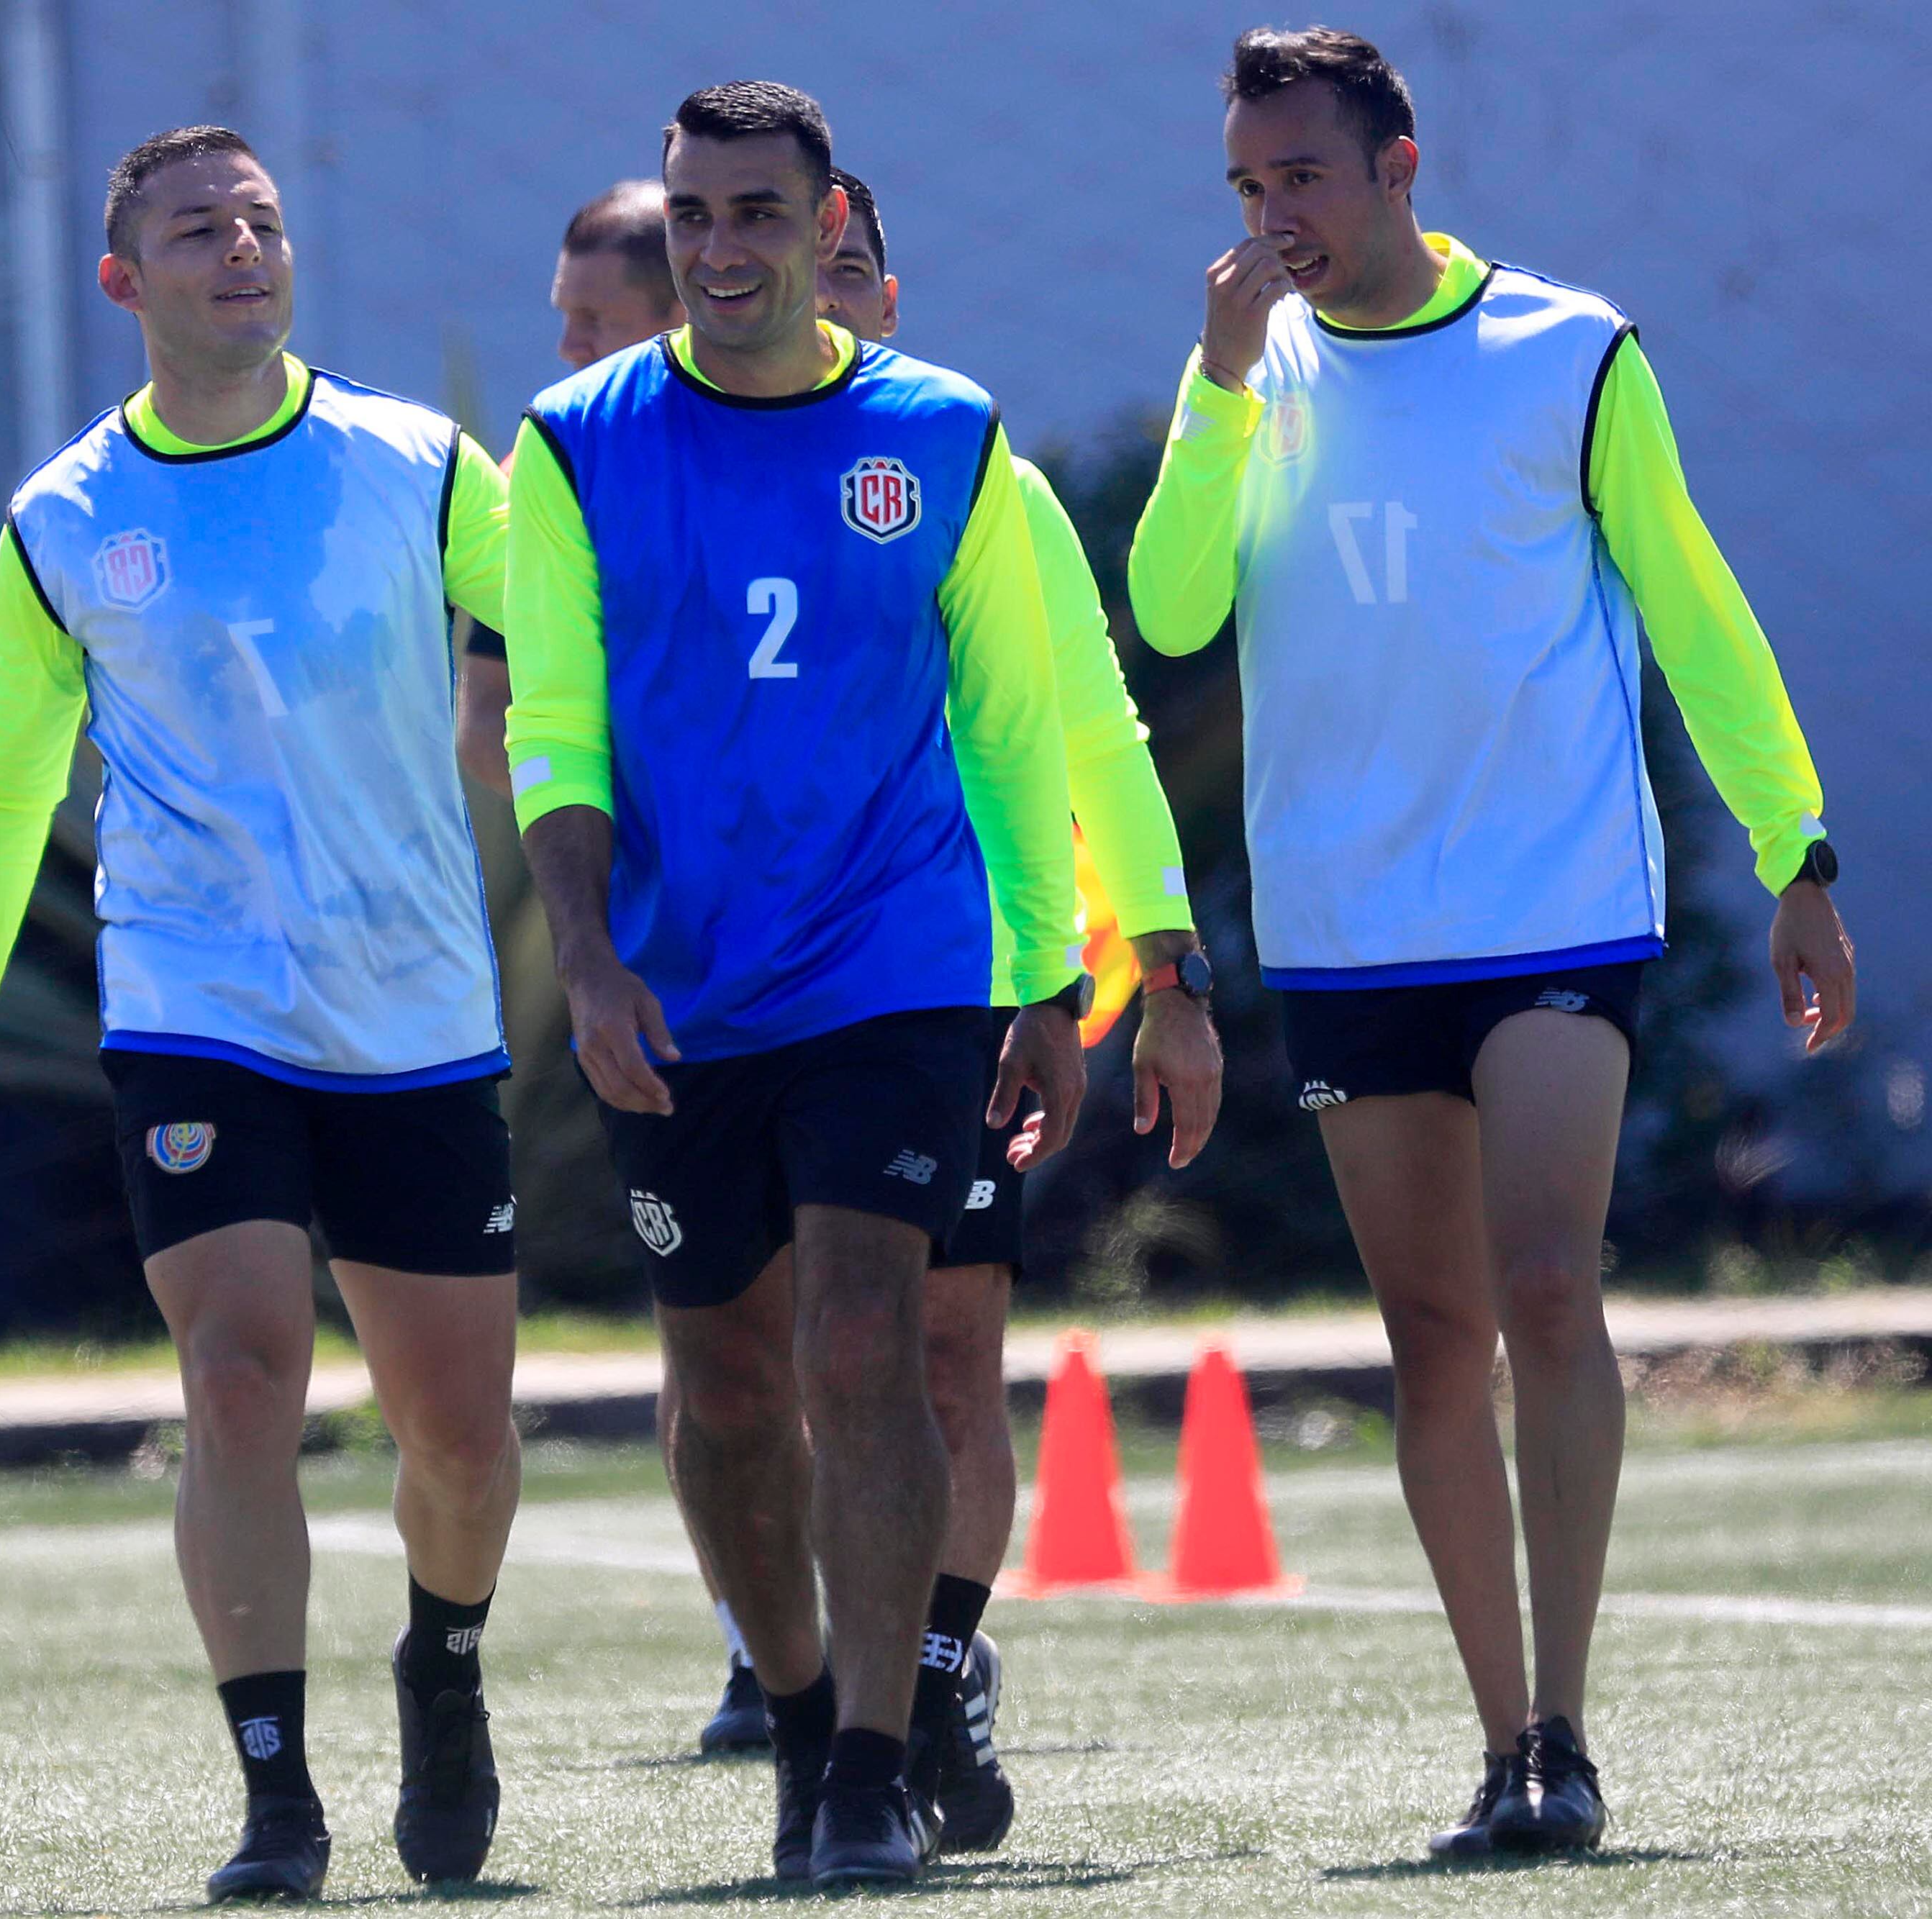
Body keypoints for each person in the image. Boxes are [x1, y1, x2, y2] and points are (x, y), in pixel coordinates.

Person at [1127, 27, 1856, 1858]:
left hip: (1552, 906)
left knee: (1545, 1285)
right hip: (1352, 926)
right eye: (1242, 183)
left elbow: (1691, 605)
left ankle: (1570, 1722)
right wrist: (1216, 390)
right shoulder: (1251, 366)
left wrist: (1796, 848)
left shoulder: (1568, 351)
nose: (1268, 215)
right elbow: (1169, 602)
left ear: (1397, 165)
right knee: (1434, 1332)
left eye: (1297, 174)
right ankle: (1499, 1744)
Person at [0, 127, 520, 1900]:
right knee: (240, 1376)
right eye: (197, 231)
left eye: (259, 222)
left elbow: (579, 645)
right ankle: (276, 1797)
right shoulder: (71, 519)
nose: (241, 250)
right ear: (126, 282)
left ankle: (445, 1664)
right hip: (196, 1005)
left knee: (460, 1444)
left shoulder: (416, 466)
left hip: (413, 1012)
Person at [506, 81, 1084, 1887]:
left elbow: (1007, 724)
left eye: (755, 213)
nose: (719, 248)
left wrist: (1049, 984)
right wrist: (587, 964)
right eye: (691, 216)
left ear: (828, 228)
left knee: (860, 1337)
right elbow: (554, 728)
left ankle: (867, 1765)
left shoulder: (945, 434)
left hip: (897, 963)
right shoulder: (573, 443)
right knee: (730, 1390)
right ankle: (792, 1693)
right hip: (685, 991)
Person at [814, 165, 1225, 1856]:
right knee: (798, 1365)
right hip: (758, 1000)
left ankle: (926, 1669)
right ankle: (828, 1694)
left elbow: (1096, 737)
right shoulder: (655, 470)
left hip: (962, 993)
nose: (813, 291)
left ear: (888, 306)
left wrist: (1171, 969)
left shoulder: (974, 478)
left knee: (946, 1345)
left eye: (850, 270)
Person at [453, 179, 681, 798]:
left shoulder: (798, 450)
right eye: (565, 316)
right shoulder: (541, 473)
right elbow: (484, 722)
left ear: (684, 315)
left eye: (596, 322)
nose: (568, 346)